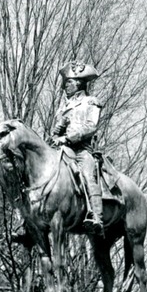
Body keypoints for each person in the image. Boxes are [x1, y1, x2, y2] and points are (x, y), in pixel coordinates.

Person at [50, 60, 104, 232]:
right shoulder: (64, 106)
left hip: (82, 150)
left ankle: (96, 216)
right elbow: (56, 131)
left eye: (69, 83)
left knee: (88, 175)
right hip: (62, 149)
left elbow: (91, 126)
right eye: (65, 83)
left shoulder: (91, 102)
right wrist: (56, 133)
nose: (66, 86)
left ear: (79, 83)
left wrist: (68, 138)